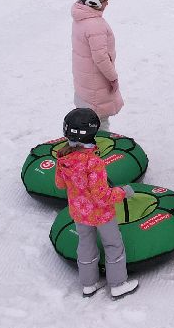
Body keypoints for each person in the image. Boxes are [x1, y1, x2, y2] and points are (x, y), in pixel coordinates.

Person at [54, 107, 137, 299]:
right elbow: (102, 196)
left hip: (79, 212)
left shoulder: (63, 157)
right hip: (102, 214)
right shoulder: (93, 163)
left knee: (85, 244)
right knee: (113, 245)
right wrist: (123, 192)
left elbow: (59, 184)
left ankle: (89, 284)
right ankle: (117, 284)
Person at [71, 0, 123, 133]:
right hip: (96, 83)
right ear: (93, 2)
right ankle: (99, 153)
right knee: (99, 124)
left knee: (87, 120)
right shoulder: (95, 25)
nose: (107, 2)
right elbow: (101, 58)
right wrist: (113, 77)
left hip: (85, 82)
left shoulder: (81, 18)